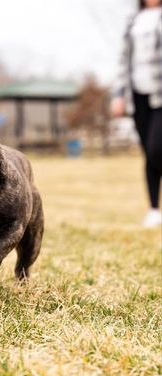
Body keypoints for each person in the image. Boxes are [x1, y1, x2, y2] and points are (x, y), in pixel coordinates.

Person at [111, 0, 162, 228]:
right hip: (138, 96)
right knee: (149, 154)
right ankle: (153, 209)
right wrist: (118, 94)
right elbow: (123, 61)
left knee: (155, 148)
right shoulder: (133, 20)